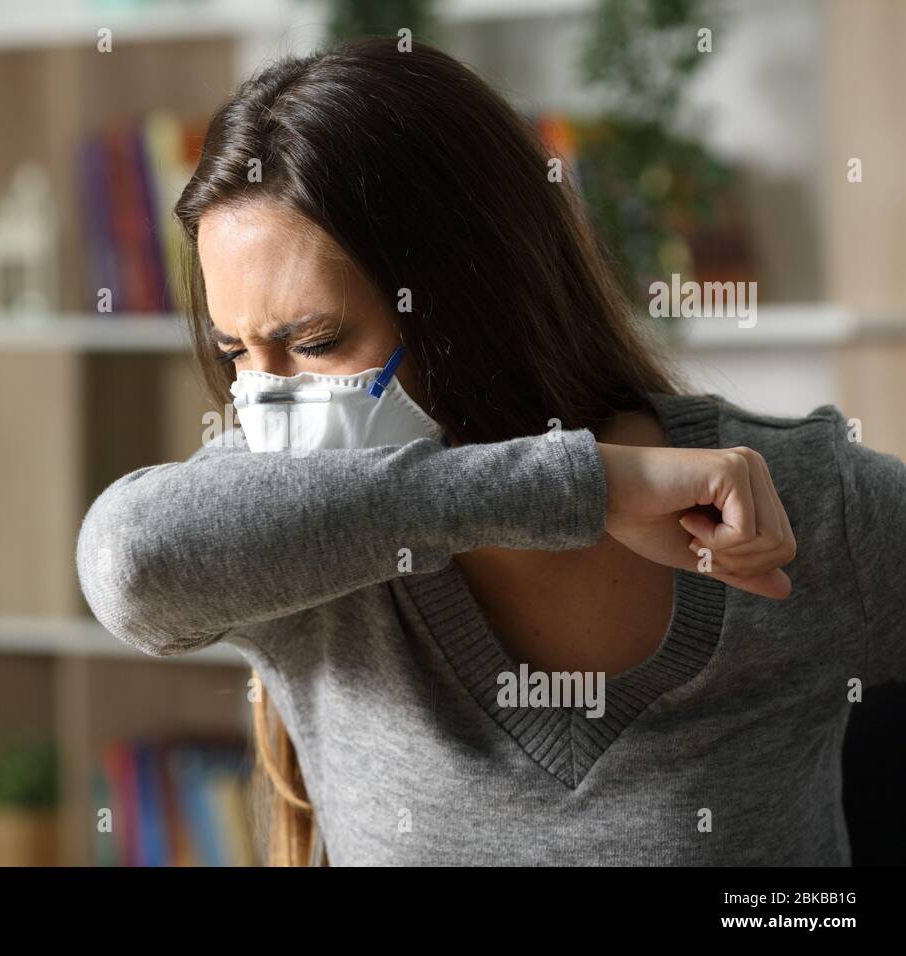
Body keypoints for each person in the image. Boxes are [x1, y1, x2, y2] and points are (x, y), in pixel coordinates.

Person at [75, 37, 906, 866]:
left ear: (471, 298)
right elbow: (129, 563)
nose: (269, 401)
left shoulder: (801, 505)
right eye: (237, 353)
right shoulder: (291, 532)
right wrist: (581, 489)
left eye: (318, 342)